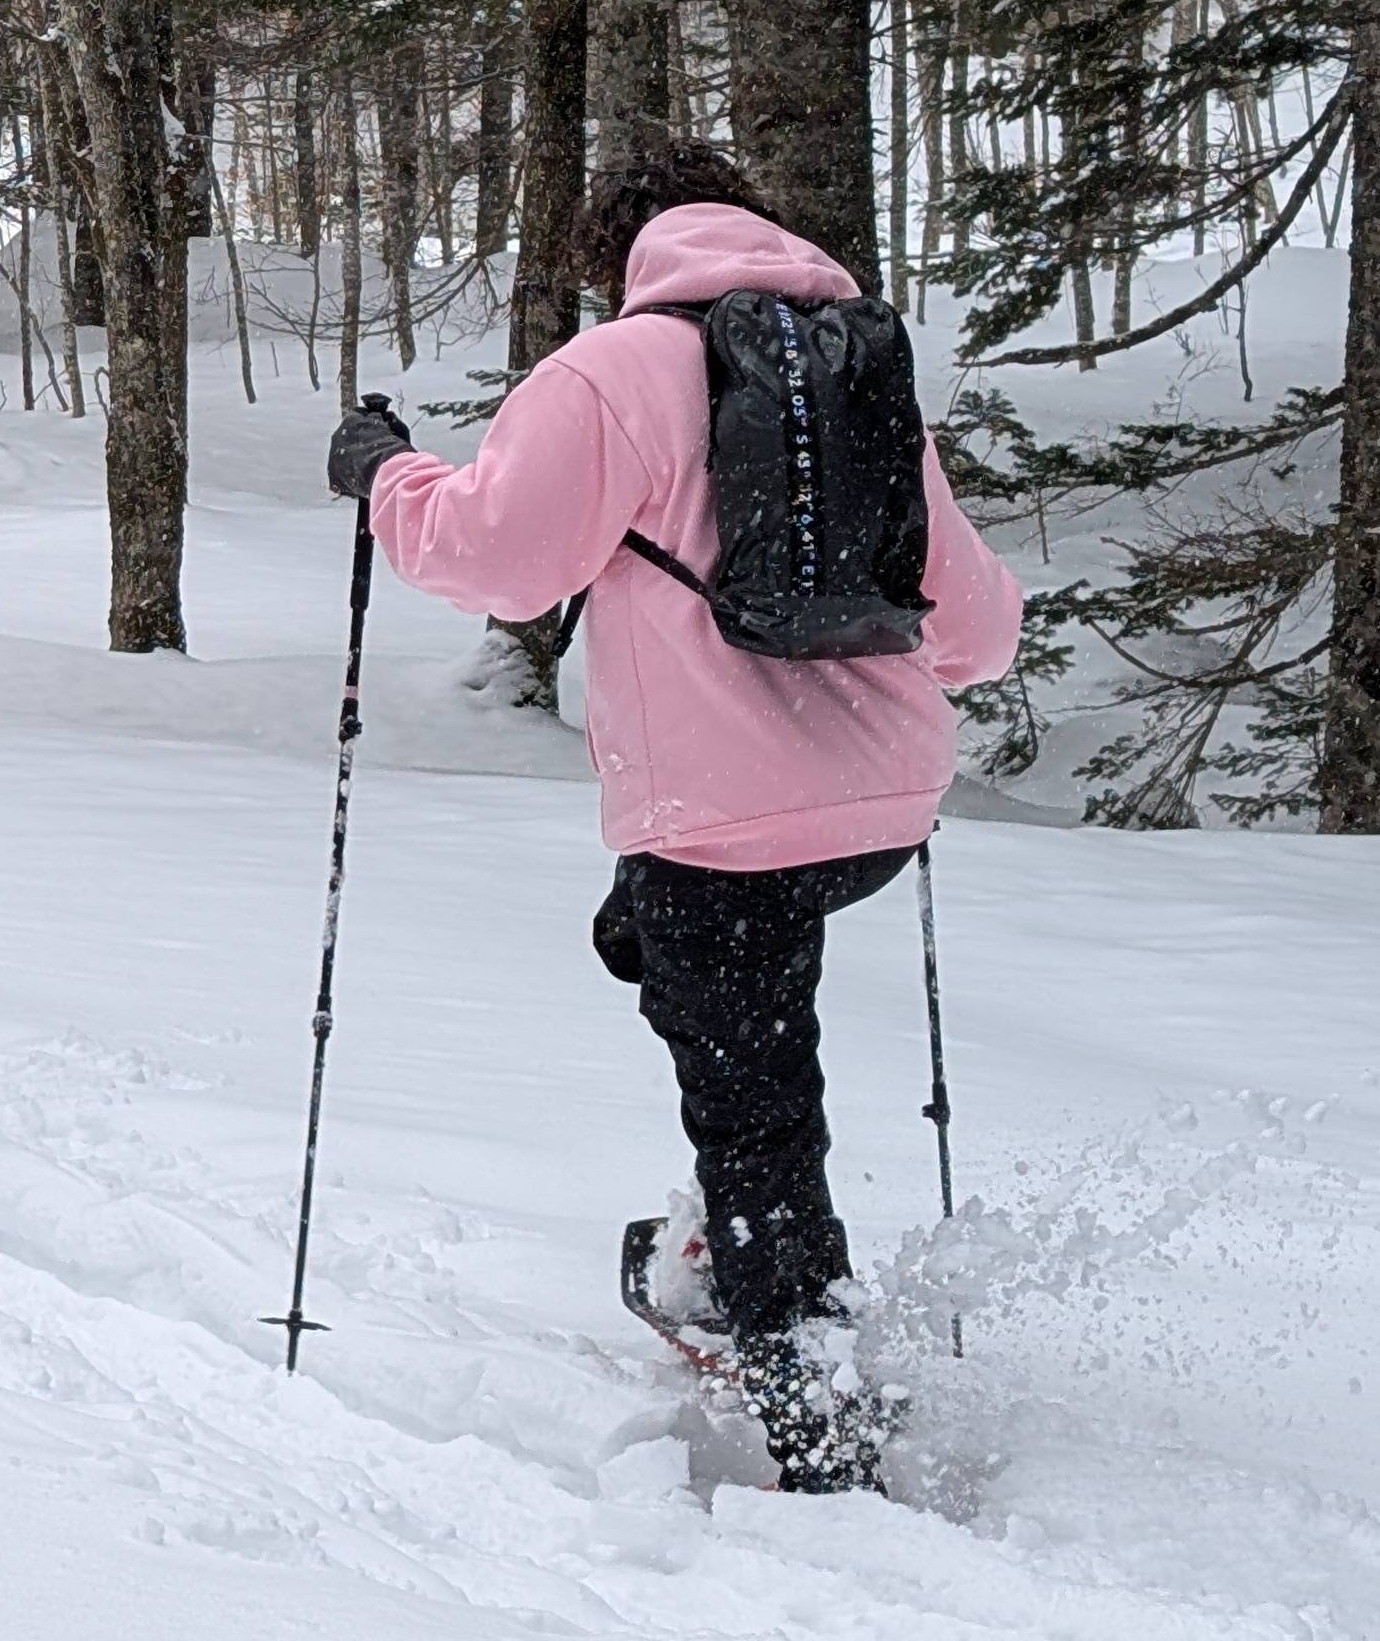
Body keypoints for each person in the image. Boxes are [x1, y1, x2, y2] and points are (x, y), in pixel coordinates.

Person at [327, 138, 1022, 1492]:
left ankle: (813, 1403)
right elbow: (979, 625)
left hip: (715, 818)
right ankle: (730, 1254)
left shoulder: (614, 369)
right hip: (876, 807)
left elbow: (496, 560)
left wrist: (381, 477)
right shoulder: (859, 367)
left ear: (624, 255)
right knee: (698, 970)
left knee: (750, 1095)